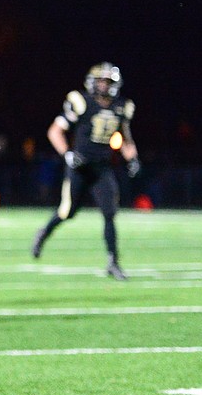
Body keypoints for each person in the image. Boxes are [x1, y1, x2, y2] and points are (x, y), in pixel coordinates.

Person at [32, 62, 140, 280]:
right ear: (93, 82)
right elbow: (54, 132)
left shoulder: (122, 106)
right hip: (80, 167)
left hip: (102, 168)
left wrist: (133, 158)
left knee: (110, 213)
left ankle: (113, 261)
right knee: (68, 212)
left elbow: (126, 138)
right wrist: (68, 154)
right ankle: (44, 233)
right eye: (102, 81)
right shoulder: (81, 102)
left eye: (109, 82)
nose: (105, 86)